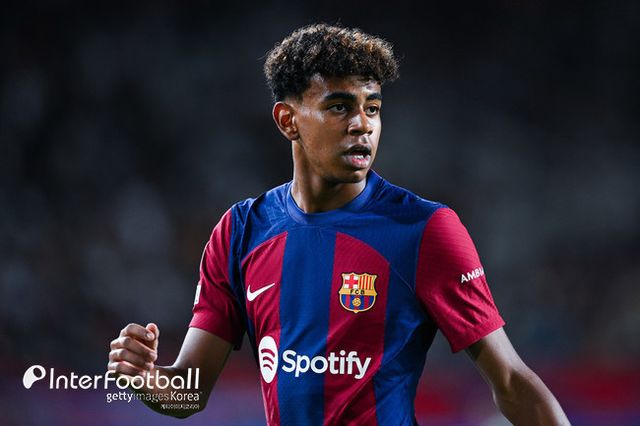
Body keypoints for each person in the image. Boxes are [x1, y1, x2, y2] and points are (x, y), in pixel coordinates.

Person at [108, 23, 570, 425]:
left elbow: (510, 380)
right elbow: (188, 393)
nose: (362, 125)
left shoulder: (424, 229)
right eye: (339, 107)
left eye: (373, 107)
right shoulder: (240, 233)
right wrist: (146, 379)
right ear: (288, 121)